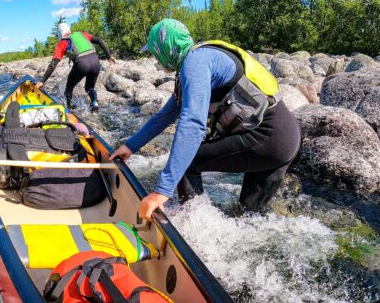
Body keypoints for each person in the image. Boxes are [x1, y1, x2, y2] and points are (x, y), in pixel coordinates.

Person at [110, 18, 301, 220]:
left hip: (267, 138)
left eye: (155, 52)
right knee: (248, 217)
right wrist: (130, 146)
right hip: (286, 139)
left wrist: (162, 191)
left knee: (188, 160)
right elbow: (165, 115)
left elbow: (193, 124)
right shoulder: (202, 57)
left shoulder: (194, 63)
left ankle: (192, 225)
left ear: (166, 47)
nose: (156, 59)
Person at [36, 23, 116, 111]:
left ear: (59, 34)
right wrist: (109, 56)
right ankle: (94, 102)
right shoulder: (81, 34)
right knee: (89, 87)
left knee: (69, 87)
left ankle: (69, 108)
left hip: (82, 64)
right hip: (95, 61)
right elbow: (99, 40)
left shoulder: (63, 42)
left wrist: (42, 81)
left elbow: (53, 63)